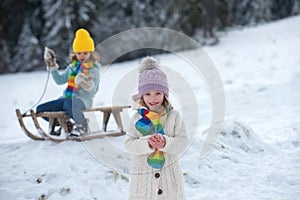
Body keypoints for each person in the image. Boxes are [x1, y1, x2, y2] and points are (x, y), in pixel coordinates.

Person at [124, 56, 188, 200]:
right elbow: (128, 144)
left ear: (165, 94)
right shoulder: (137, 118)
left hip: (169, 182)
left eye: (158, 93)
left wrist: (166, 143)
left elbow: (183, 142)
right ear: (141, 96)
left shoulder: (174, 116)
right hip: (143, 185)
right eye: (148, 94)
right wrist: (147, 143)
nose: (153, 98)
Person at [36, 28, 100, 137]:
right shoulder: (72, 67)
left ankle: (82, 126)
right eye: (79, 53)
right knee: (41, 109)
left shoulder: (93, 69)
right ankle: (65, 124)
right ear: (75, 53)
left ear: (91, 53)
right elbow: (60, 80)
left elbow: (93, 90)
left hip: (83, 100)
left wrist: (85, 82)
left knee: (70, 103)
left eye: (85, 53)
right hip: (67, 98)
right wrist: (52, 66)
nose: (82, 56)